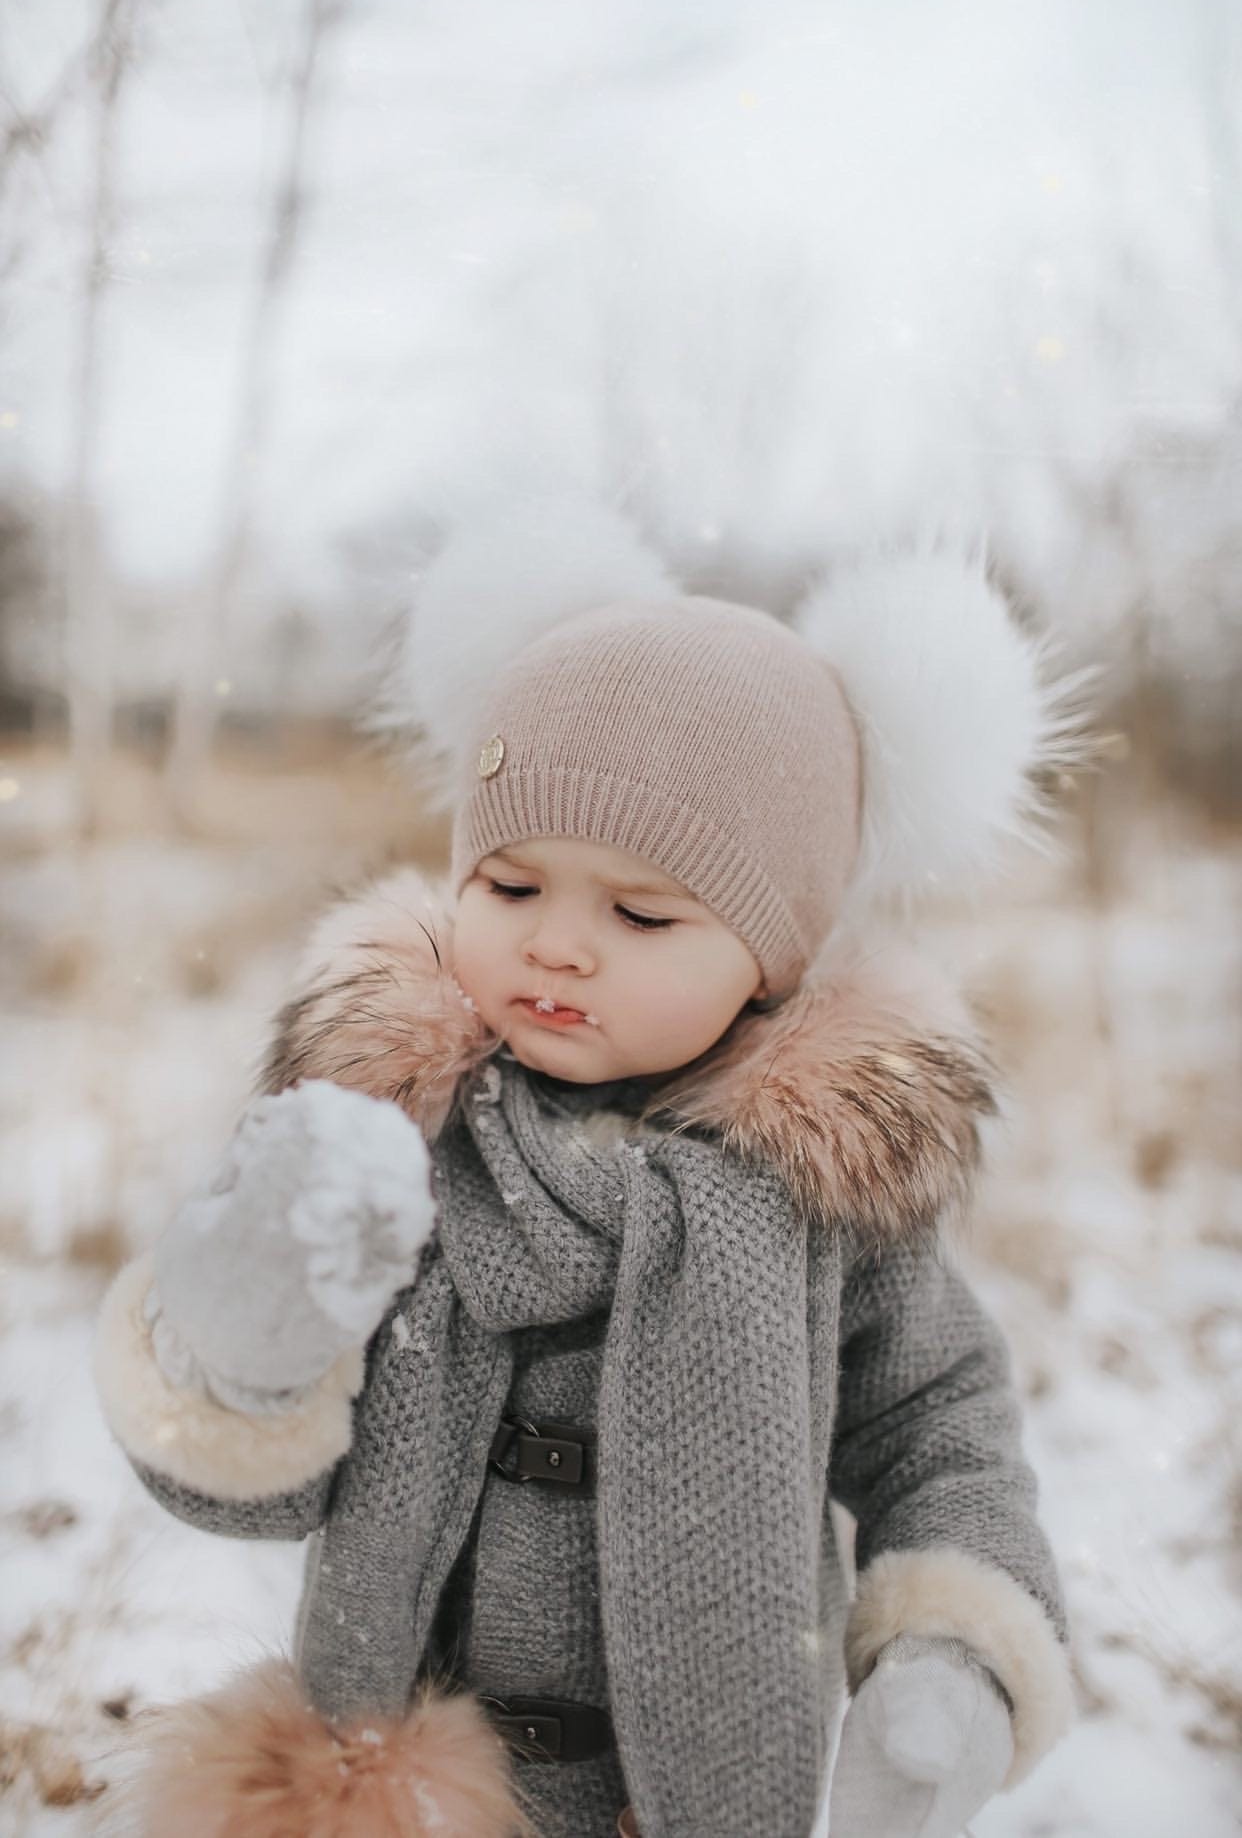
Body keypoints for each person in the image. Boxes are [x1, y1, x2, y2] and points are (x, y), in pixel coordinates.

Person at [93, 503, 1077, 1838]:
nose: (556, 944)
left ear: (772, 954)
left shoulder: (821, 1199)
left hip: (689, 1795)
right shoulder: (393, 1136)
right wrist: (243, 1338)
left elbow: (936, 1425)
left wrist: (952, 1652)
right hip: (394, 1787)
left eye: (639, 913)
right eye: (509, 887)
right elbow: (240, 1483)